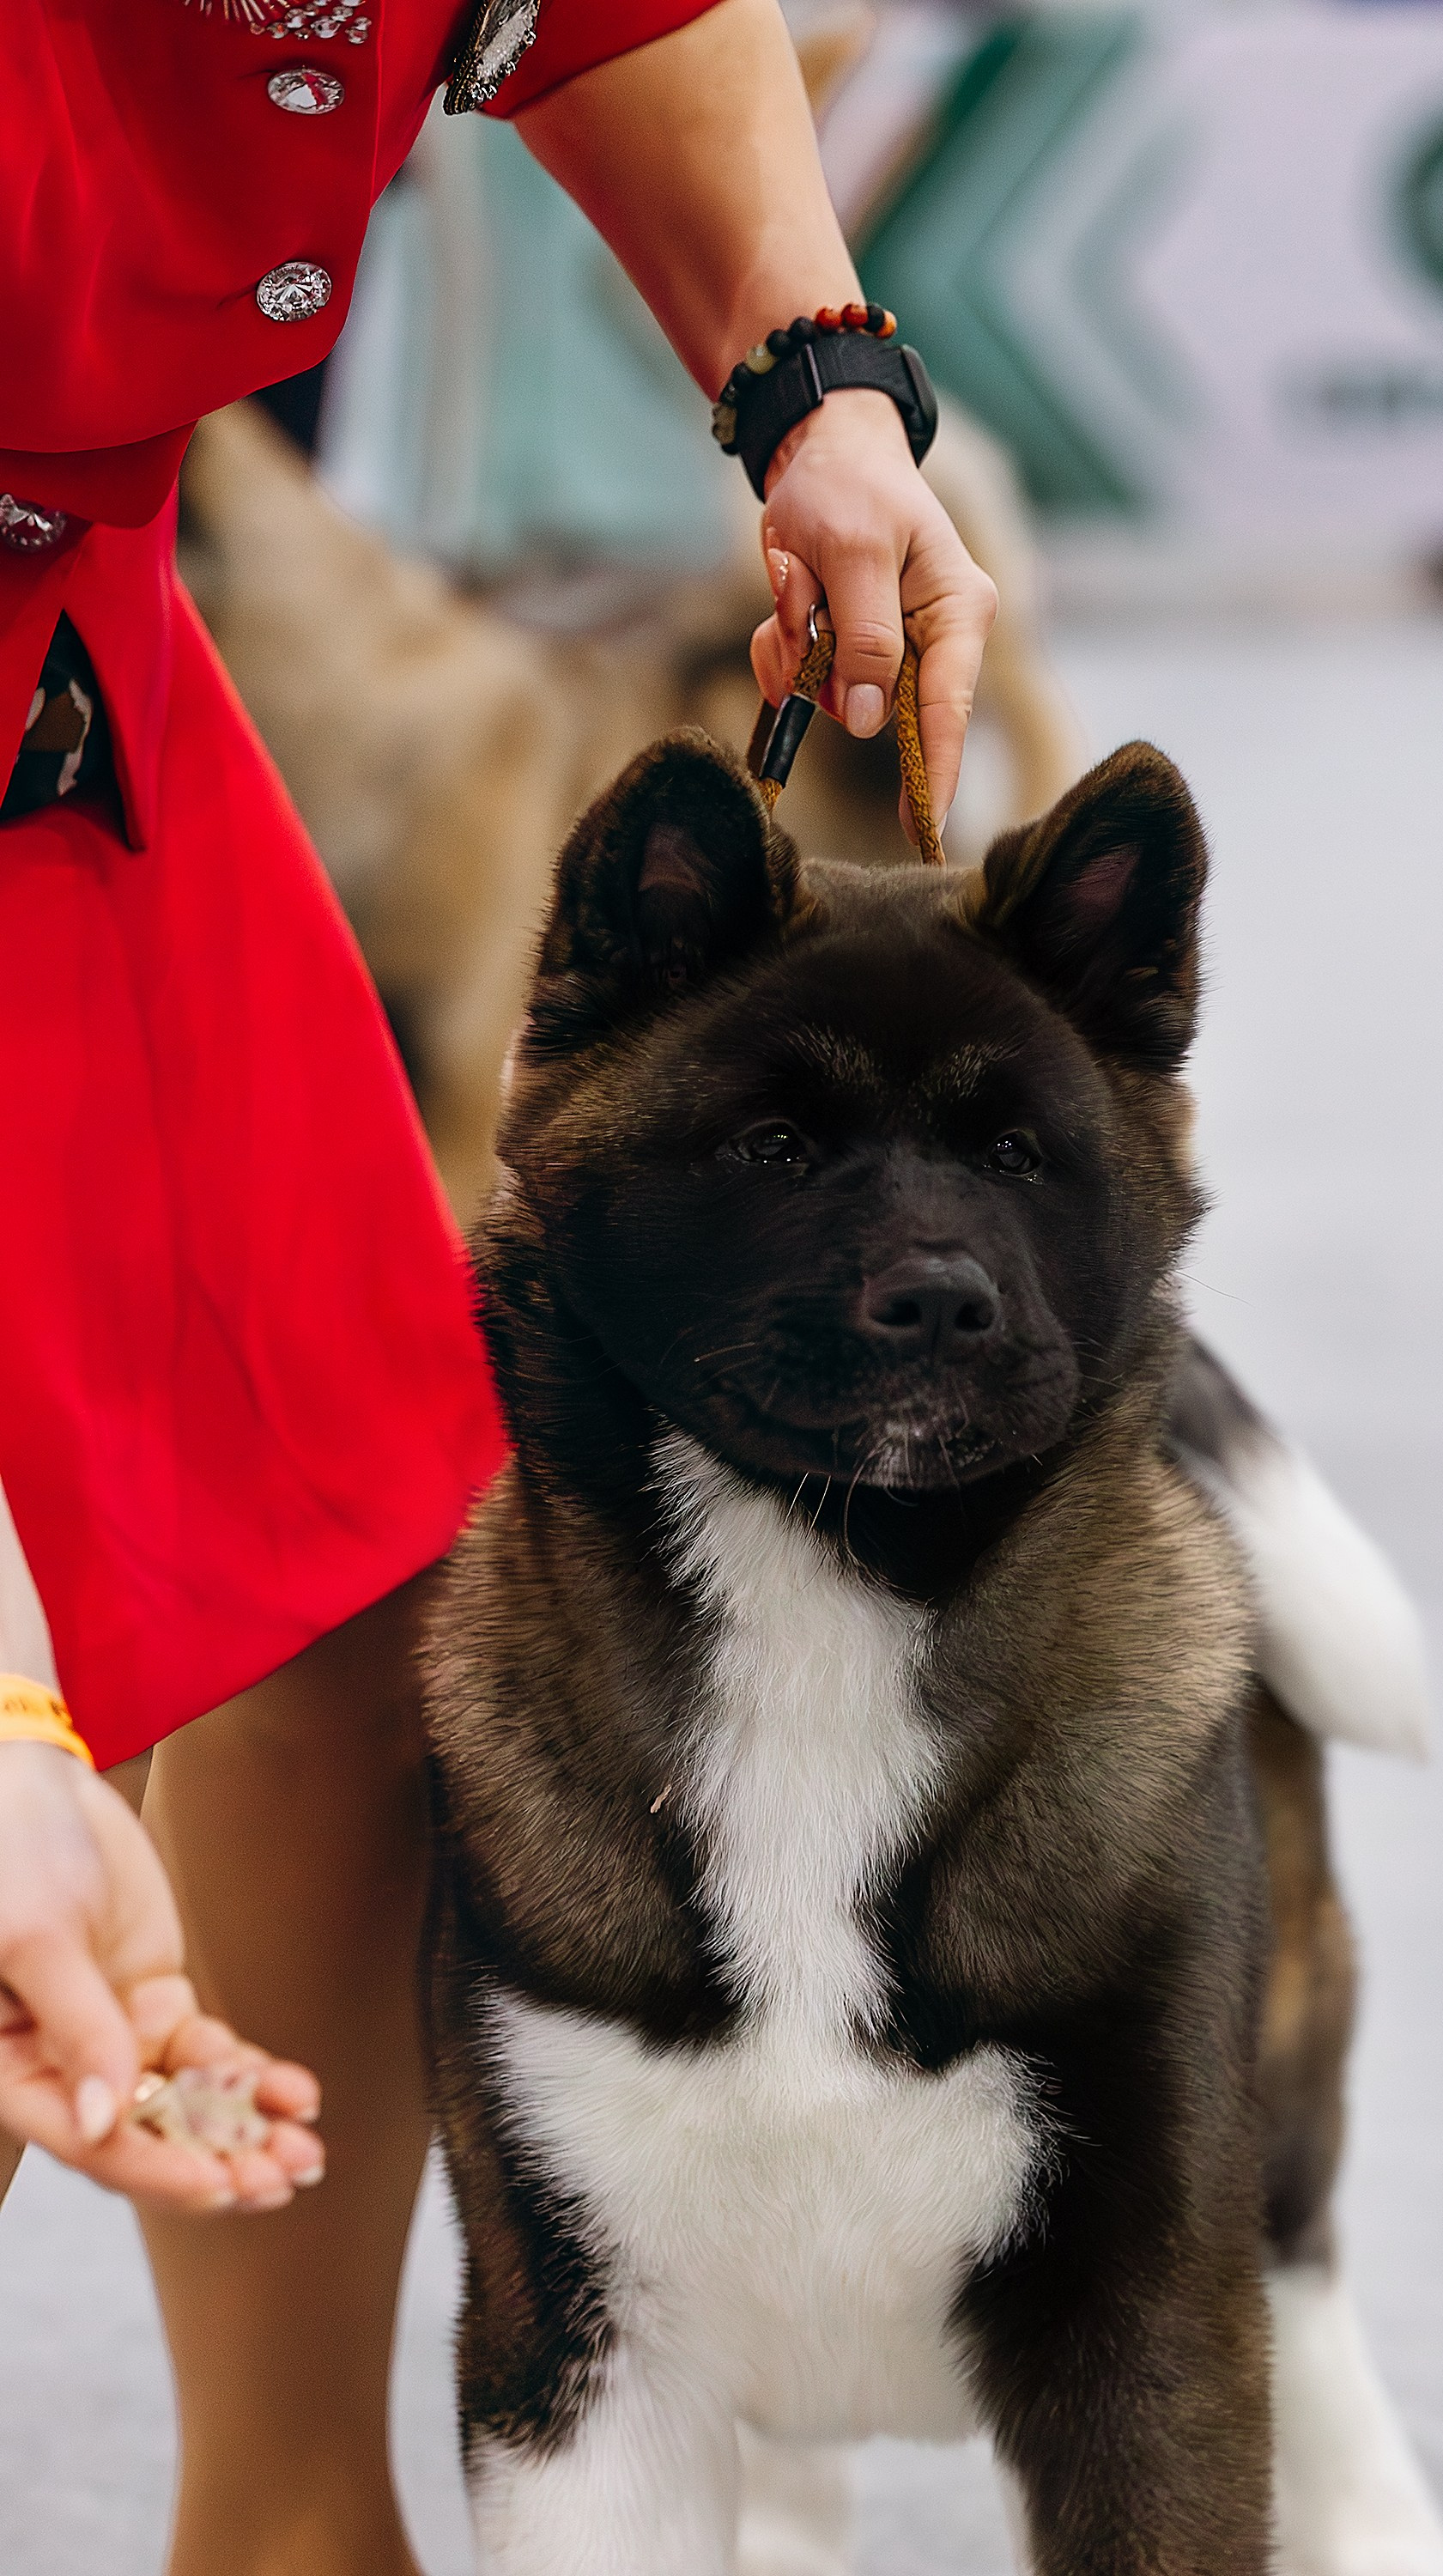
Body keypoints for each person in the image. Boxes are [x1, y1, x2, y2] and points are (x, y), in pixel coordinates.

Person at [0, 3, 997, 2568]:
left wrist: (818, 381)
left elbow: (615, 8)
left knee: (343, 1579)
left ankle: (286, 2520)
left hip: (72, 617)